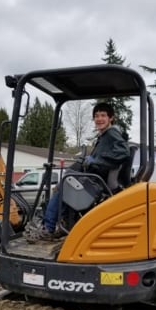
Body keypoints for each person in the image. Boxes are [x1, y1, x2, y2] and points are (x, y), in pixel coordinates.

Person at [23, 102, 130, 242]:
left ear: (111, 118)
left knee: (63, 187)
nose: (99, 119)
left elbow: (124, 152)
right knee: (66, 183)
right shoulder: (104, 136)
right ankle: (62, 223)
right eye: (96, 116)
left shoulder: (111, 133)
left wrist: (95, 161)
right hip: (96, 179)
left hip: (97, 183)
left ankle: (48, 227)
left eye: (103, 115)